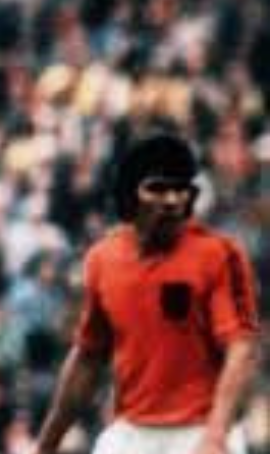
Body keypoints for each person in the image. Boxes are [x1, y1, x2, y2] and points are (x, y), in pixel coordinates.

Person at [31, 132, 261, 454]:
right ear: (130, 195)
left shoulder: (221, 255)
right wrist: (46, 445)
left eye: (180, 188)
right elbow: (88, 357)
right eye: (157, 188)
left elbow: (242, 348)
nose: (172, 199)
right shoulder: (102, 260)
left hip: (201, 431)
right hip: (132, 433)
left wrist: (215, 435)